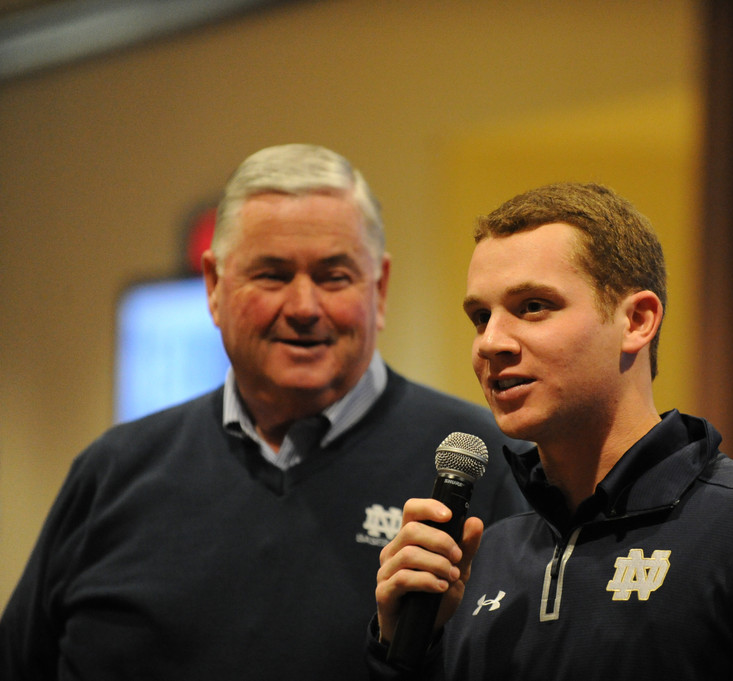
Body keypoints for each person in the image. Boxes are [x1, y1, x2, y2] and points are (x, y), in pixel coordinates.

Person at [0, 144, 527, 681]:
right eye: (272, 275)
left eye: (334, 276)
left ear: (380, 288)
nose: (303, 307)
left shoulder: (495, 471)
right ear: (213, 286)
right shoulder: (112, 472)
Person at [370, 182, 733, 679]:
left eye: (532, 307)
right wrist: (404, 655)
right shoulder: (485, 555)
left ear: (638, 321)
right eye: (481, 317)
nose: (491, 343)